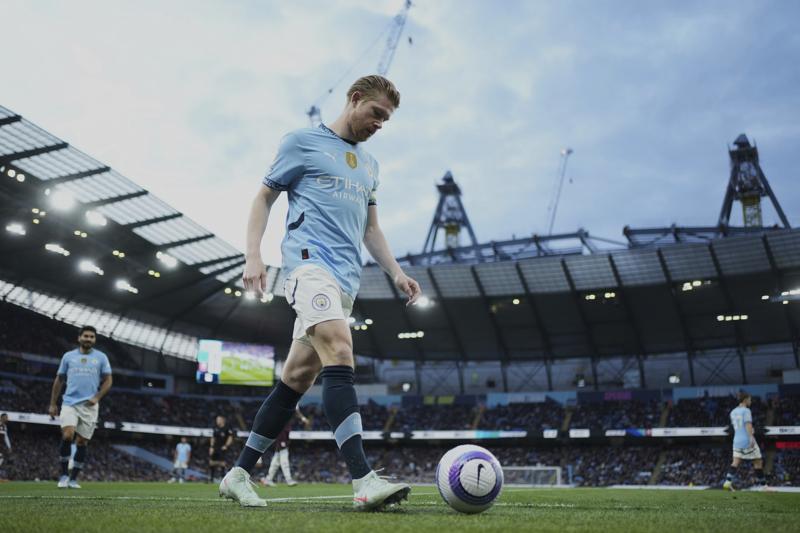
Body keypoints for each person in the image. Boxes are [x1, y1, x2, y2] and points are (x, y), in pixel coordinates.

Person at [219, 75, 421, 510]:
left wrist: (397, 273)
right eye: (376, 114)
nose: (379, 125)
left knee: (295, 379)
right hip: (308, 266)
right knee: (340, 348)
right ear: (355, 99)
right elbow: (263, 198)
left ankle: (237, 474)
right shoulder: (301, 142)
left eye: (386, 120)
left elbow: (371, 229)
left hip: (346, 280)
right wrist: (253, 255)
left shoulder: (370, 166)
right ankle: (364, 480)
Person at [48, 325, 113, 489]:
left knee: (82, 442)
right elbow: (59, 379)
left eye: (91, 336)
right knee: (68, 435)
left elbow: (108, 380)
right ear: (79, 338)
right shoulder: (68, 356)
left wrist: (97, 397)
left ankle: (73, 479)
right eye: (86, 336)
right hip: (70, 402)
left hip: (90, 406)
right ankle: (64, 475)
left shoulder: (101, 357)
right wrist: (53, 403)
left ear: (94, 339)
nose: (88, 339)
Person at [723, 391, 767, 490]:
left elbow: (736, 427)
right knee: (758, 462)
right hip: (746, 439)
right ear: (745, 400)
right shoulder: (746, 411)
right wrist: (751, 438)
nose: (750, 401)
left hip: (737, 440)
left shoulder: (733, 412)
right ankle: (764, 486)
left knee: (735, 462)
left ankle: (728, 481)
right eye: (750, 399)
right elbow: (748, 425)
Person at [262, 407, 309, 487]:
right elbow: (296, 410)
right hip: (282, 431)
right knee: (284, 457)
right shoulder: (286, 405)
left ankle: (268, 479)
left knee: (276, 459)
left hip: (282, 429)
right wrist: (303, 418)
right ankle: (288, 479)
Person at [209, 415, 234, 482]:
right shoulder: (215, 428)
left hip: (223, 448)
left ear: (222, 420)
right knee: (211, 462)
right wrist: (211, 447)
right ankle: (211, 478)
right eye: (217, 420)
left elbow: (230, 438)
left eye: (218, 420)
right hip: (215, 447)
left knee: (222, 462)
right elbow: (213, 437)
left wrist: (226, 445)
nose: (217, 421)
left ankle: (222, 477)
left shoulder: (227, 428)